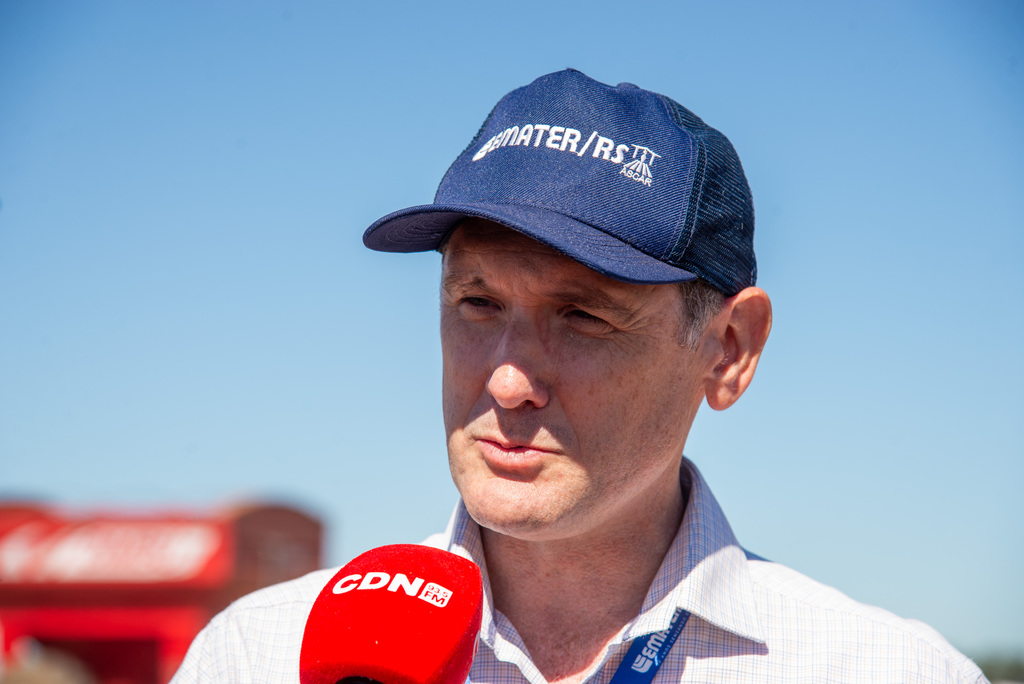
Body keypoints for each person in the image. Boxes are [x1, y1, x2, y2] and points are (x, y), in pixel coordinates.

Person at [171, 70, 987, 683]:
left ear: (730, 349)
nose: (508, 383)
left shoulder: (886, 670)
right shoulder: (259, 655)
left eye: (583, 316)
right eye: (478, 302)